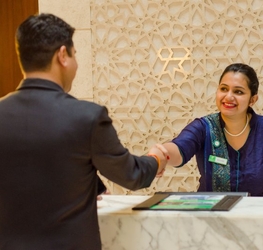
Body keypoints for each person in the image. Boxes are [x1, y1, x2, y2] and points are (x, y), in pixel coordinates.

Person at [0, 13, 167, 249]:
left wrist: (92, 186)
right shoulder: (87, 117)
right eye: (75, 54)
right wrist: (156, 159)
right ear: (62, 55)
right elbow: (131, 174)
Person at [158, 63, 263, 197]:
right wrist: (160, 155)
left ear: (252, 100)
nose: (228, 97)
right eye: (224, 89)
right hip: (212, 215)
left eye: (238, 91)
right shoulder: (204, 127)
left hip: (258, 215)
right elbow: (179, 148)